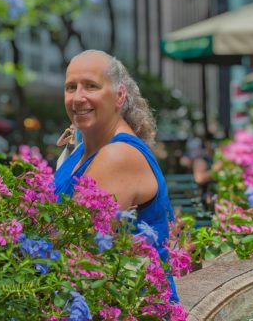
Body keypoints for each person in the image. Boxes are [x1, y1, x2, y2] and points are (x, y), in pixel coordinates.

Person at [53, 49, 179, 302]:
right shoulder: (80, 152)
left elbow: (75, 246)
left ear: (119, 95)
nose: (78, 97)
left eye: (91, 86)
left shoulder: (117, 156)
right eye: (71, 87)